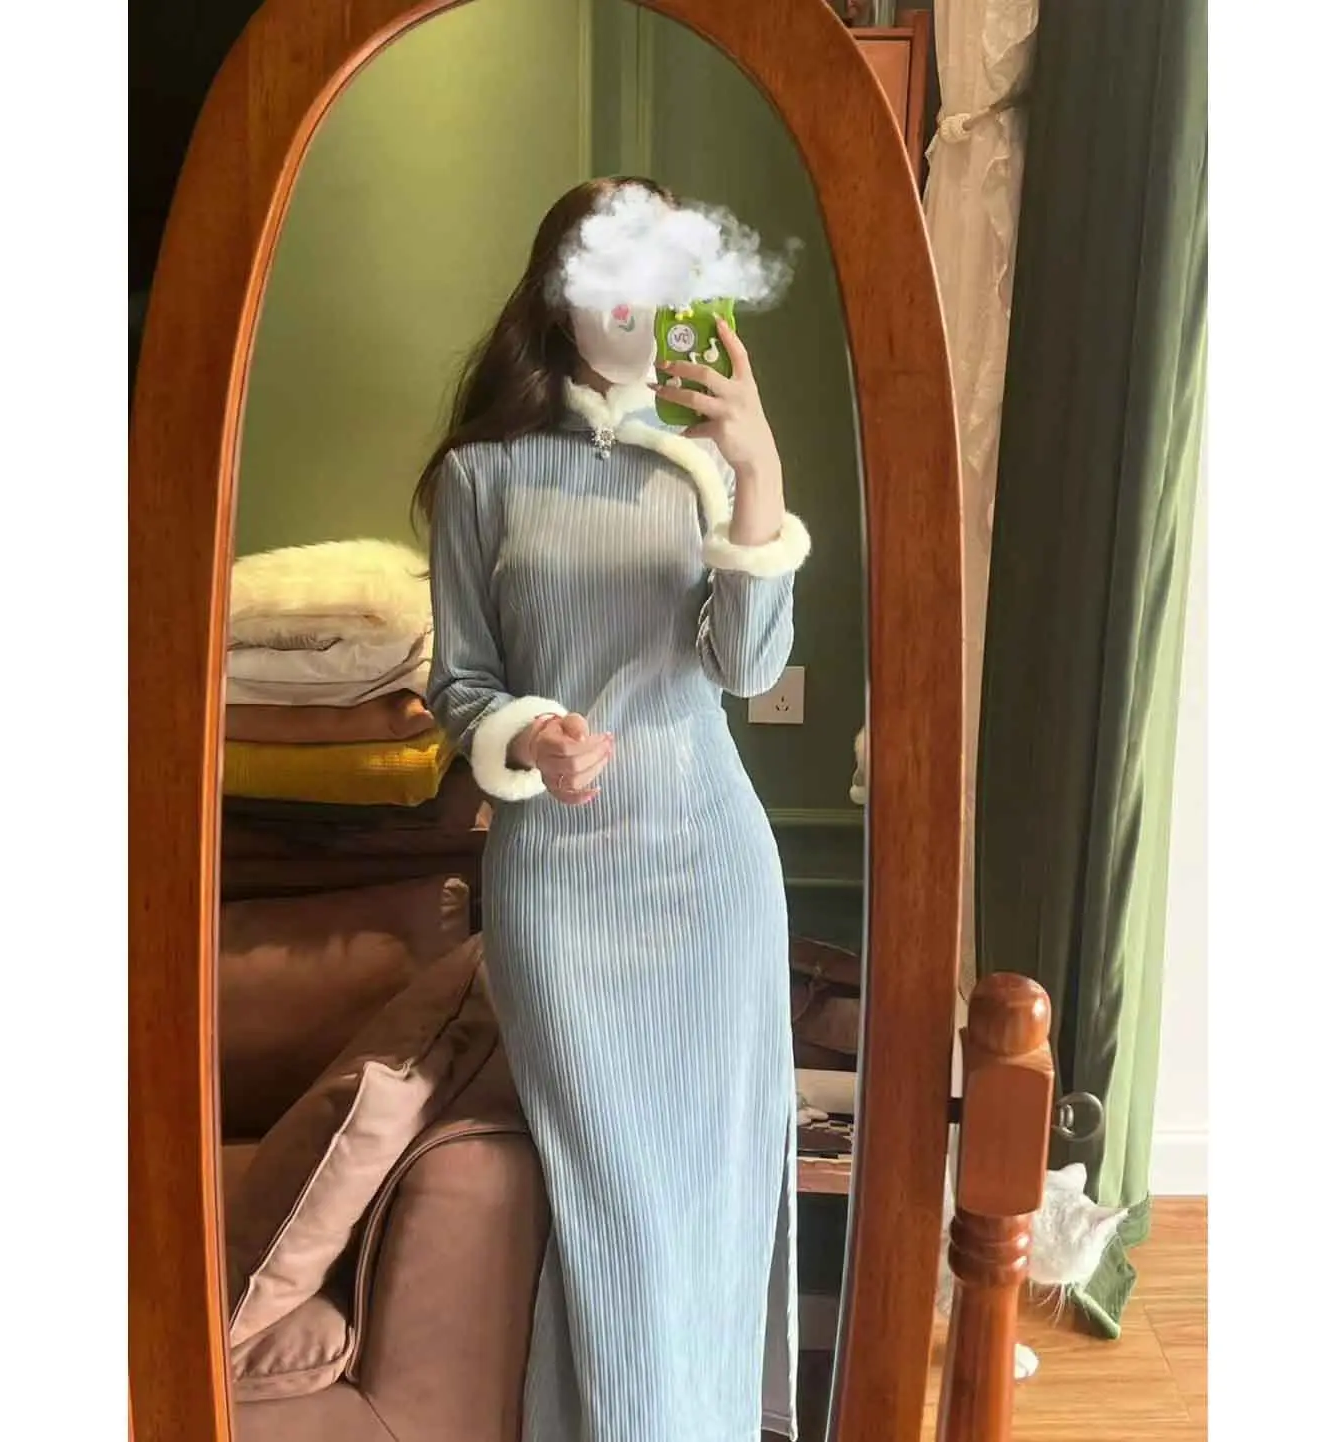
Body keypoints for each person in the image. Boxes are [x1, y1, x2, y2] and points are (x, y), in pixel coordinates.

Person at [419, 176, 811, 1442]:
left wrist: (755, 465)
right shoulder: (480, 474)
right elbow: (458, 683)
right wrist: (532, 732)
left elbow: (745, 666)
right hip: (561, 886)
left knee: (718, 1187)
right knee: (616, 1212)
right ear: (560, 289)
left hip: (709, 872)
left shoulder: (701, 463)